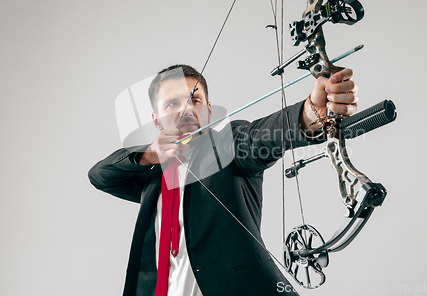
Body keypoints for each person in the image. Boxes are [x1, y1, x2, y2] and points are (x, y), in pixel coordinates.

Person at [88, 64, 358, 296]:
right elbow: (100, 176)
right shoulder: (152, 180)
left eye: (194, 101)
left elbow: (261, 136)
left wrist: (310, 114)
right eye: (172, 104)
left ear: (208, 111)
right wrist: (148, 155)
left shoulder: (228, 147)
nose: (186, 111)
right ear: (157, 121)